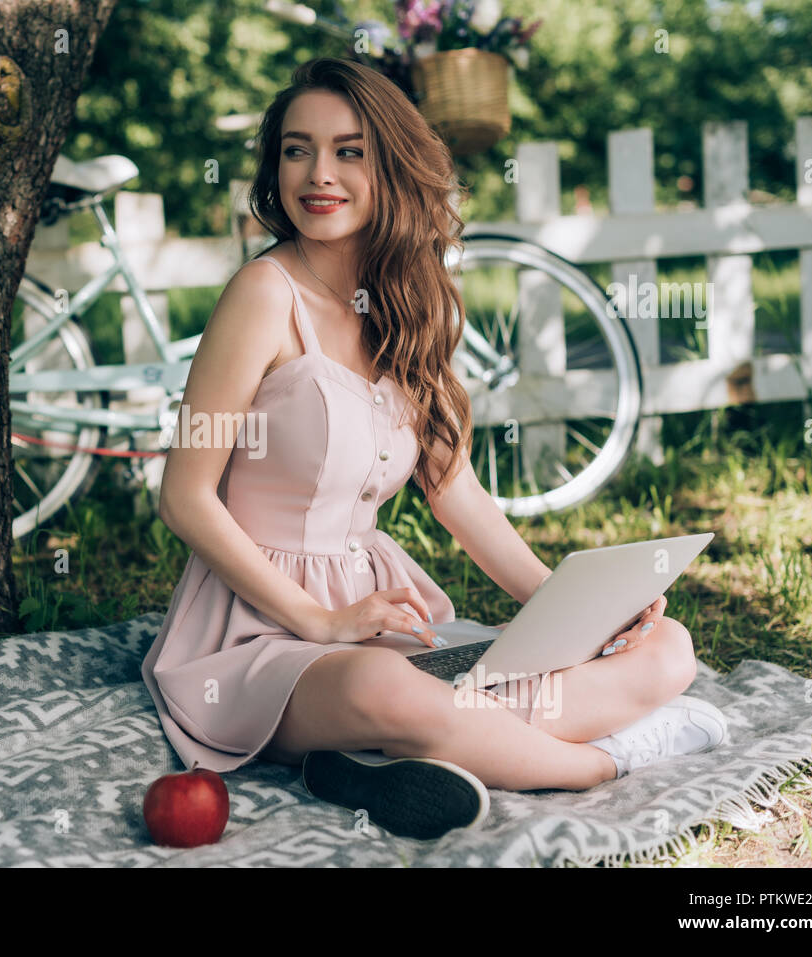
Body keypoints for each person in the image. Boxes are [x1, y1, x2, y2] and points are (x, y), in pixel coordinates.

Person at [139, 57, 727, 841]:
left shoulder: (406, 304)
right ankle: (602, 759)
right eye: (296, 149)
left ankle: (387, 757)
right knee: (395, 691)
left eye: (350, 151)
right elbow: (185, 495)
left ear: (391, 164)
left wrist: (574, 611)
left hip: (378, 625)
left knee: (665, 648)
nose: (319, 174)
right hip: (258, 635)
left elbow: (459, 496)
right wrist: (319, 621)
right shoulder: (263, 294)